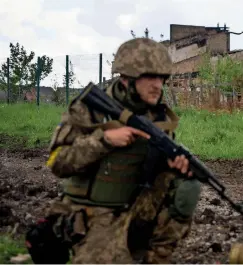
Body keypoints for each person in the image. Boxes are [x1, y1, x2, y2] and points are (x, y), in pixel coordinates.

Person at [35, 38, 201, 264]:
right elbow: (58, 162)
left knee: (186, 186)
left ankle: (156, 257)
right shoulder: (89, 109)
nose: (158, 85)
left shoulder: (158, 117)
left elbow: (155, 173)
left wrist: (173, 165)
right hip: (92, 212)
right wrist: (104, 140)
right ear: (126, 79)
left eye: (161, 78)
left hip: (133, 207)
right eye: (150, 77)